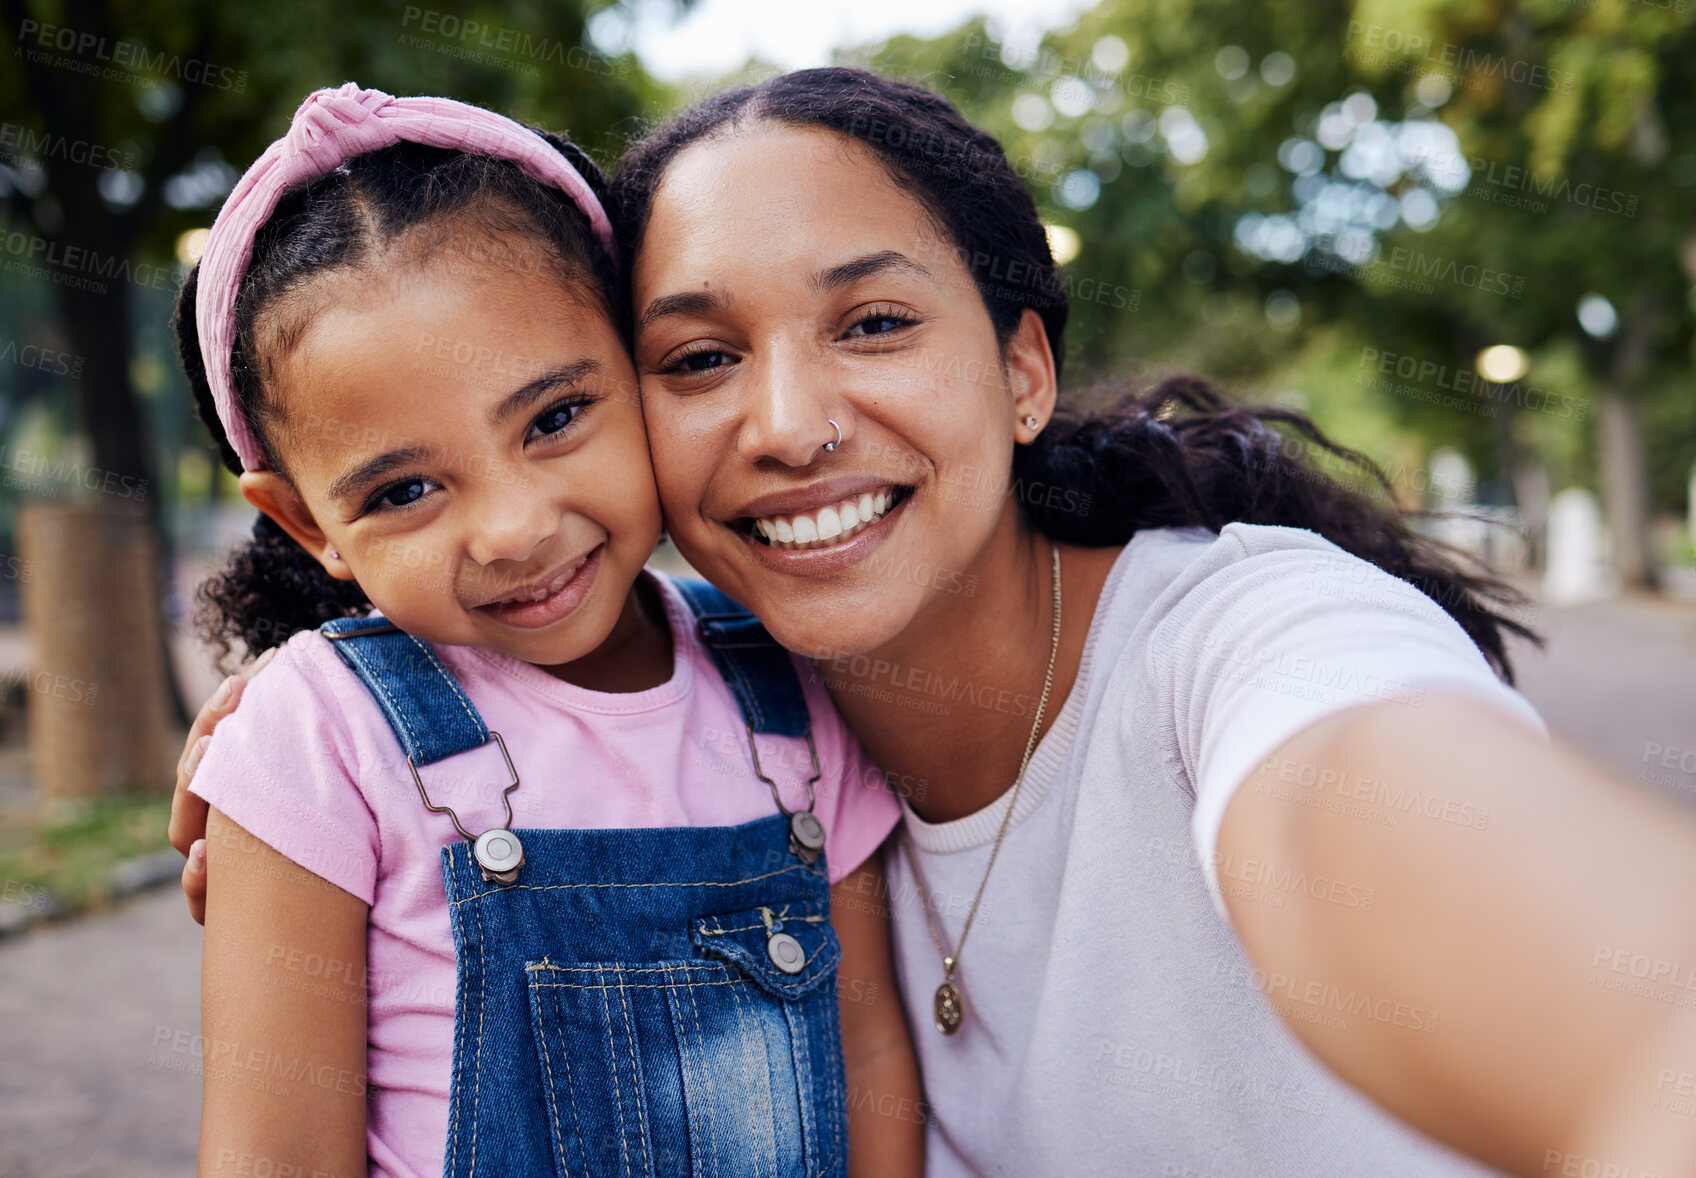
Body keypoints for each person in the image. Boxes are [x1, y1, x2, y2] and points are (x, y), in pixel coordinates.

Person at [175, 69, 1696, 1176]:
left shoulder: (1247, 641)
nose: (789, 423)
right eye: (697, 356)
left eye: (876, 322)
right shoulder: (698, 698)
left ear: (1024, 366)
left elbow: (1451, 872)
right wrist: (309, 721)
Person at [174, 83, 922, 1178]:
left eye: (557, 418)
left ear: (640, 365)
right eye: (405, 489)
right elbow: (274, 1153)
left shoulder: (793, 685)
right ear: (304, 522)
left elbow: (871, 1061)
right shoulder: (320, 736)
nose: (516, 530)